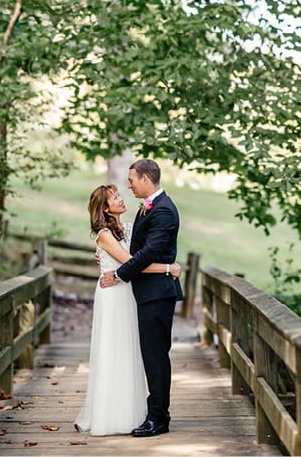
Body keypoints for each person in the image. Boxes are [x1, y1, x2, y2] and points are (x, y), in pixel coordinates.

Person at [74, 183, 181, 436]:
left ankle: (132, 411)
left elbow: (142, 253)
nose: (122, 198)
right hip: (113, 296)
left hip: (129, 294)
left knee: (131, 352)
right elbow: (133, 263)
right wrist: (169, 269)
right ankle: (111, 415)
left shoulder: (129, 227)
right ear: (105, 208)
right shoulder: (104, 234)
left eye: (120, 194)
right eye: (115, 198)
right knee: (114, 353)